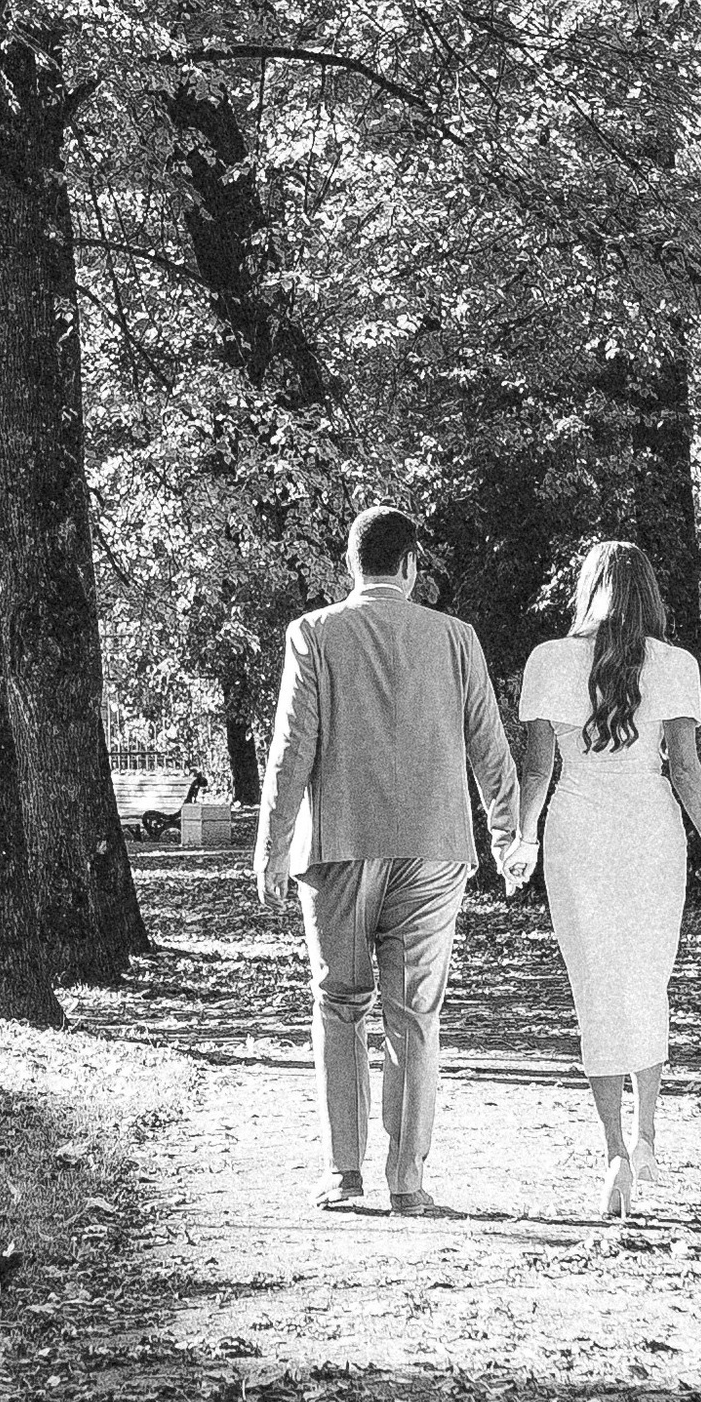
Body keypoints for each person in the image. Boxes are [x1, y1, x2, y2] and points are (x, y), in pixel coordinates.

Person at [254, 504, 523, 1215]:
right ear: (411, 566)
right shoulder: (456, 637)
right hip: (433, 848)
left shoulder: (314, 633)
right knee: (414, 1014)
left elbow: (291, 750)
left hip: (338, 845)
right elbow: (490, 748)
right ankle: (408, 1181)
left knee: (338, 1005)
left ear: (352, 564)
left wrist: (273, 845)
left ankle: (344, 1172)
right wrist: (506, 835)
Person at [508, 539, 701, 1221]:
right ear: (649, 593)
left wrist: (520, 841)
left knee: (597, 991)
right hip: (651, 839)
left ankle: (613, 1147)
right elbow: (686, 772)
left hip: (577, 838)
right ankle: (646, 1135)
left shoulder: (549, 661)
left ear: (585, 590)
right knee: (647, 982)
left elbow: (536, 772)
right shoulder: (674, 665)